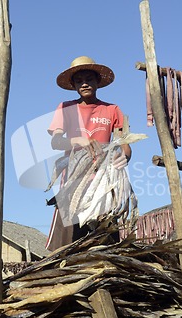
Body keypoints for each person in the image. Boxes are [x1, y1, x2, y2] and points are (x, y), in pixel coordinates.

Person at [45, 56, 132, 251]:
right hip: (73, 182)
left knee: (105, 243)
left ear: (97, 81)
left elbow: (124, 144)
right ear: (74, 85)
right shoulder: (66, 108)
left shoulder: (112, 110)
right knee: (68, 246)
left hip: (104, 181)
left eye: (89, 79)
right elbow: (55, 142)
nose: (84, 83)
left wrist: (123, 157)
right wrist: (76, 140)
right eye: (79, 80)